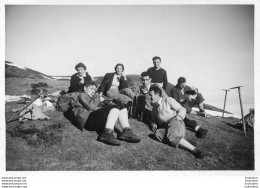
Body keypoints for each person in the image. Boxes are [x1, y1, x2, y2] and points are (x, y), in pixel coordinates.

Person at [69, 81, 141, 146]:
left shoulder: (91, 96)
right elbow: (90, 106)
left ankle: (126, 130)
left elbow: (98, 104)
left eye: (94, 89)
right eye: (91, 88)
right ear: (85, 88)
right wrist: (98, 97)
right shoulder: (82, 95)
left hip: (93, 118)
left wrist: (106, 102)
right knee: (114, 107)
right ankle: (107, 133)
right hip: (87, 121)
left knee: (121, 106)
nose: (93, 91)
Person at [149, 86, 207, 159]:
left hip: (174, 121)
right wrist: (153, 124)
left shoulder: (168, 100)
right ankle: (183, 141)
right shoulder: (154, 108)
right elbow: (152, 120)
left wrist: (178, 118)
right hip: (165, 126)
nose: (149, 97)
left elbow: (182, 109)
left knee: (171, 137)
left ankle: (196, 150)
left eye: (151, 95)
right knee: (158, 133)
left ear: (157, 95)